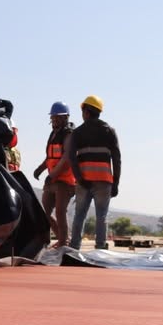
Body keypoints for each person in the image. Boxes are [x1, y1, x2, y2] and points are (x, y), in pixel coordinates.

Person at [66, 95, 121, 250]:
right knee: (101, 216)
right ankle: (100, 248)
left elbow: (72, 158)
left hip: (84, 181)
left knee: (79, 215)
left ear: (86, 112)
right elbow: (117, 159)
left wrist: (78, 178)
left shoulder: (77, 132)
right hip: (104, 181)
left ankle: (74, 247)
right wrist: (115, 182)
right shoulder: (110, 131)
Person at [32, 102, 75, 247]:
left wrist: (53, 174)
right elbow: (50, 157)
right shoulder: (53, 134)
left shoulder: (68, 134)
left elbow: (66, 158)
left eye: (58, 117)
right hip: (52, 180)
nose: (55, 120)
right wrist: (40, 168)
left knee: (60, 212)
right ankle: (61, 239)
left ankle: (63, 242)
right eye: (53, 117)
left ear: (66, 118)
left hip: (65, 181)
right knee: (44, 212)